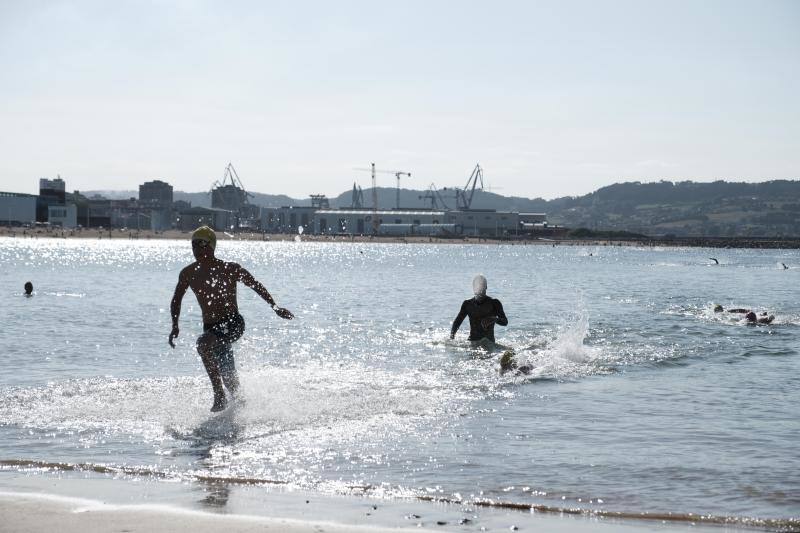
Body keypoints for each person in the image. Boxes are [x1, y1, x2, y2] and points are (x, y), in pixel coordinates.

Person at [169, 226, 294, 412]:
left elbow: (256, 285)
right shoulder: (188, 273)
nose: (196, 249)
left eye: (201, 244)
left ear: (211, 246)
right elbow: (176, 299)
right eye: (193, 245)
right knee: (231, 380)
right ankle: (242, 409)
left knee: (203, 344)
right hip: (211, 328)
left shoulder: (229, 269)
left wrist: (275, 307)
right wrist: (175, 326)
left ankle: (218, 395)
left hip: (233, 323)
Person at [450, 274, 508, 344]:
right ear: (474, 288)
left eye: (482, 286)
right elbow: (457, 322)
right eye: (477, 286)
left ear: (486, 287)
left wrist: (494, 319)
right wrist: (452, 337)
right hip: (472, 342)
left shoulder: (494, 303)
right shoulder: (467, 304)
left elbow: (505, 322)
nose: (480, 288)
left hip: (489, 343)